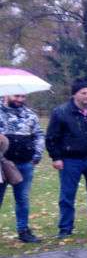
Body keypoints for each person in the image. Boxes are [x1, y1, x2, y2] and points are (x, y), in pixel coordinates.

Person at [45, 79, 87, 237]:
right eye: (83, 93)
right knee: (67, 195)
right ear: (74, 94)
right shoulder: (60, 112)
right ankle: (65, 228)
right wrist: (56, 157)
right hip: (70, 160)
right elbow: (51, 137)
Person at [0, 94, 45, 243]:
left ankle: (23, 231)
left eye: (23, 97)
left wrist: (37, 155)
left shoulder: (30, 114)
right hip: (2, 164)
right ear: (7, 94)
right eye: (17, 96)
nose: (20, 99)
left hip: (25, 164)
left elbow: (39, 135)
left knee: (22, 199)